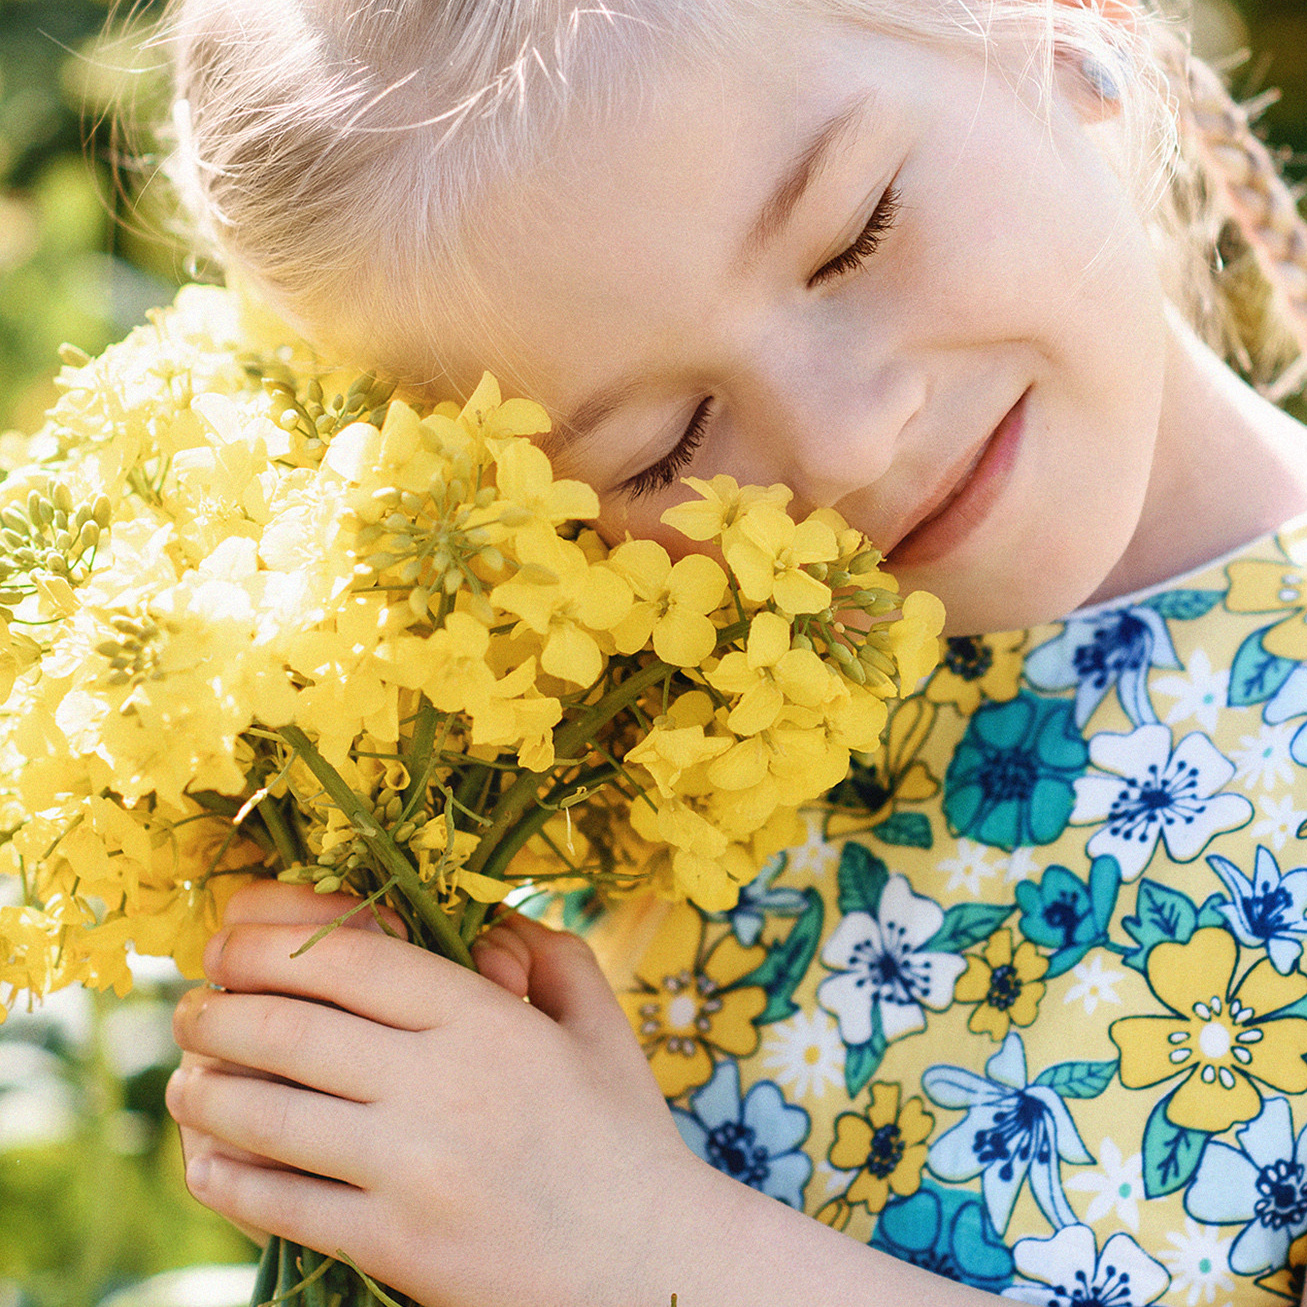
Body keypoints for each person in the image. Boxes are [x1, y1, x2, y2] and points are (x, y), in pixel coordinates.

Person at [157, 0, 1307, 1303]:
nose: (844, 441)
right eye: (662, 446)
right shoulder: (597, 765)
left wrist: (643, 1250)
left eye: (854, 233)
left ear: (1059, 20)